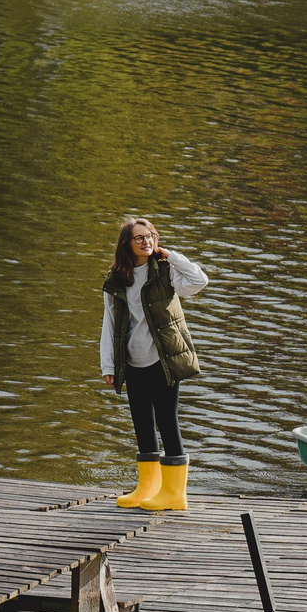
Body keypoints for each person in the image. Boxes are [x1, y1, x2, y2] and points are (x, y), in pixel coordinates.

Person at [97, 216, 206, 511]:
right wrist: (108, 365)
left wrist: (172, 255)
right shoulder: (116, 281)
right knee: (142, 425)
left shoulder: (165, 271)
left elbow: (199, 281)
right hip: (134, 361)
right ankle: (148, 488)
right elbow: (109, 324)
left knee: (167, 422)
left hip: (164, 358)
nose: (147, 241)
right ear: (127, 244)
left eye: (151, 236)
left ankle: (174, 494)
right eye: (140, 238)